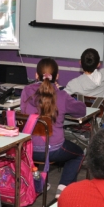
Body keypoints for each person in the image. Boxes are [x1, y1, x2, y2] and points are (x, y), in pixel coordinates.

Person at [20, 58, 86, 199]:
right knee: (78, 154)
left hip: (27, 149)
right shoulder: (61, 95)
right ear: (57, 76)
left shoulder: (26, 91)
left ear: (36, 75)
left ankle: (37, 179)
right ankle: (62, 188)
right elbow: (81, 111)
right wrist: (61, 90)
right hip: (53, 150)